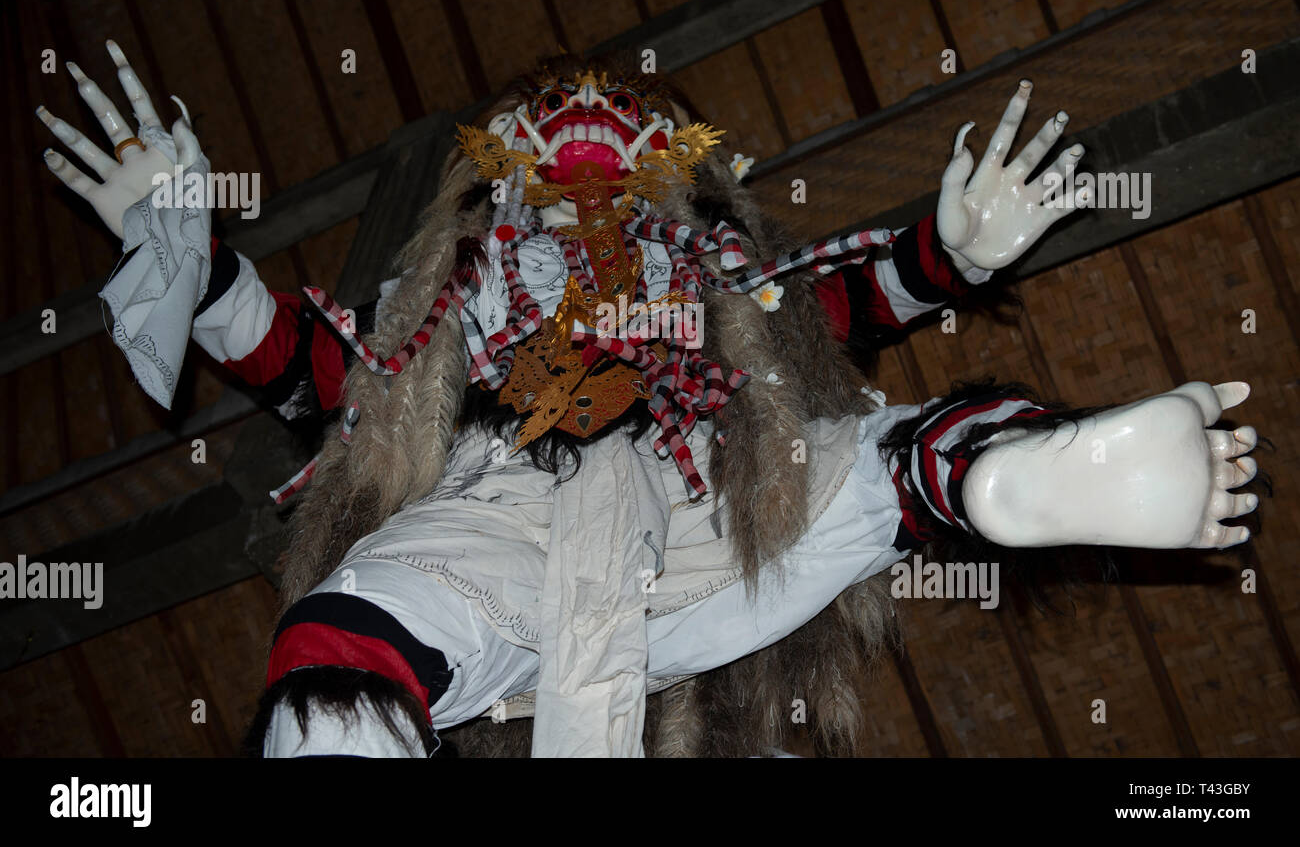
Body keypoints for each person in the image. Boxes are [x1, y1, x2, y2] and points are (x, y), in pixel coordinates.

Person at [36, 42, 1260, 757]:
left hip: (713, 518)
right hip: (484, 525)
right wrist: (184, 254)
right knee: (344, 635)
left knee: (875, 456)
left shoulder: (724, 289)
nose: (584, 201)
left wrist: (949, 252)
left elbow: (833, 318)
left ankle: (1013, 478)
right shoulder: (450, 302)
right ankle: (993, 482)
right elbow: (319, 369)